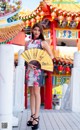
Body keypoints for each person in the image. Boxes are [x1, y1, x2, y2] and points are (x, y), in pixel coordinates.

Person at [25, 23, 54, 130]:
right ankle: (32, 115)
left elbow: (51, 56)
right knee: (31, 93)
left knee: (36, 93)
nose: (36, 32)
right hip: (29, 70)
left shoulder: (43, 43)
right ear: (32, 30)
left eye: (38, 30)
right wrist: (28, 64)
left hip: (37, 71)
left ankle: (36, 117)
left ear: (41, 32)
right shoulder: (28, 43)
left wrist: (41, 63)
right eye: (34, 30)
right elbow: (25, 56)